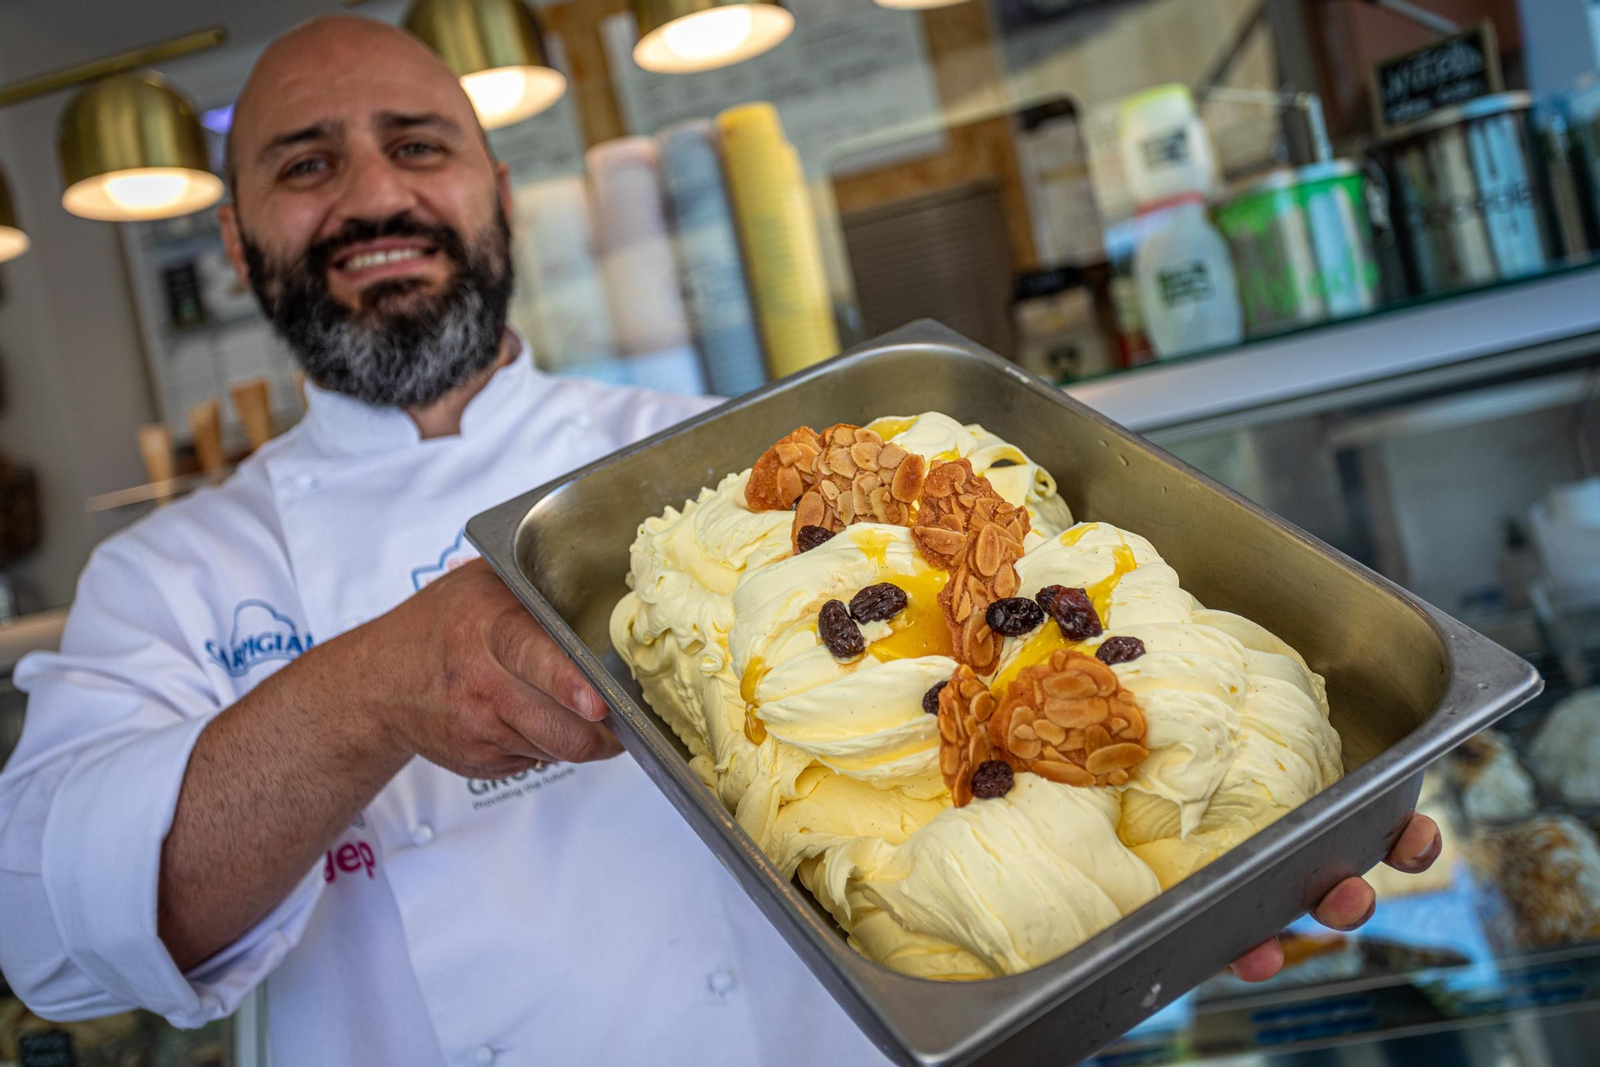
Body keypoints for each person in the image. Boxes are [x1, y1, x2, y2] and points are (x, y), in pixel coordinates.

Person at [0, 15, 1442, 1066]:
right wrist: (375, 689)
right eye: (306, 166)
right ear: (238, 241)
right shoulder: (168, 577)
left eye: (419, 148)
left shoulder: (713, 473)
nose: (375, 197)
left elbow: (967, 726)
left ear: (496, 189)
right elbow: (47, 944)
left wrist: (1171, 884)